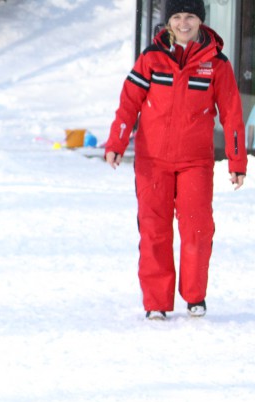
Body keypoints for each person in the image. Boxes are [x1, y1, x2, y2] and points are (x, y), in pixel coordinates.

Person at [104, 0, 247, 320]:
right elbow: (129, 103)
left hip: (195, 161)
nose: (184, 23)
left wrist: (237, 162)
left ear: (201, 20)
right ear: (168, 22)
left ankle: (195, 296)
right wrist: (117, 141)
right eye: (177, 17)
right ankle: (156, 302)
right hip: (152, 161)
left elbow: (233, 115)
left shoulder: (216, 63)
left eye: (190, 16)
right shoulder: (151, 59)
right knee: (154, 230)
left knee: (198, 229)